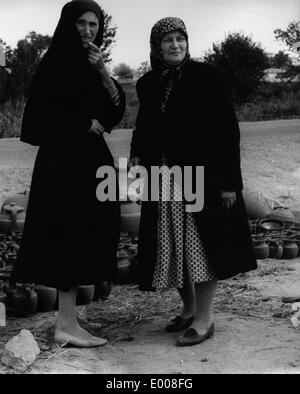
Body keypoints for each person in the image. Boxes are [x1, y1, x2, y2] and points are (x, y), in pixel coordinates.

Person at [129, 17, 257, 347]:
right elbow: (144, 128)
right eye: (167, 40)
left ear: (187, 43)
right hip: (163, 176)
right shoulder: (148, 84)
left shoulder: (208, 77)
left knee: (199, 244)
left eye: (180, 38)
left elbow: (228, 130)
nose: (175, 45)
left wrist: (230, 181)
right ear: (157, 47)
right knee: (169, 244)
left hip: (203, 176)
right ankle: (188, 309)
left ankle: (204, 319)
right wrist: (136, 157)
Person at [11, 0, 125, 348]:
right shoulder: (54, 63)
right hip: (63, 167)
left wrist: (104, 72)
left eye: (94, 25)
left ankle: (70, 318)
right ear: (67, 25)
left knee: (90, 232)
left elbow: (115, 111)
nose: (88, 31)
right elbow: (36, 124)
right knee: (68, 236)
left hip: (90, 162)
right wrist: (82, 123)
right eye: (81, 23)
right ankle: (65, 325)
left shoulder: (91, 65)